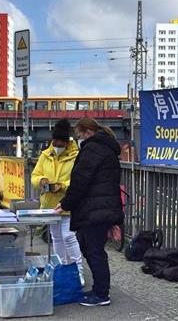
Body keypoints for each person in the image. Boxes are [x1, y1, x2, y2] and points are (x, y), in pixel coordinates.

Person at [55, 117, 123, 307]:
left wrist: (66, 203)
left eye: (79, 135)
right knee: (92, 248)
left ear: (87, 133)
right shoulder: (105, 148)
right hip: (101, 207)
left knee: (94, 250)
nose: (78, 139)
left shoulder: (93, 149)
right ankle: (99, 290)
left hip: (95, 209)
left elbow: (80, 181)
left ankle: (102, 294)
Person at [31, 119, 84, 284]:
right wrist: (42, 181)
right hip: (49, 204)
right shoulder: (45, 155)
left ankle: (78, 271)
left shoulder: (77, 156)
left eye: (60, 143)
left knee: (69, 236)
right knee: (56, 238)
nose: (57, 145)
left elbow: (80, 179)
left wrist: (62, 186)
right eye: (55, 142)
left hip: (68, 202)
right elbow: (34, 176)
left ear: (67, 142)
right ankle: (61, 268)